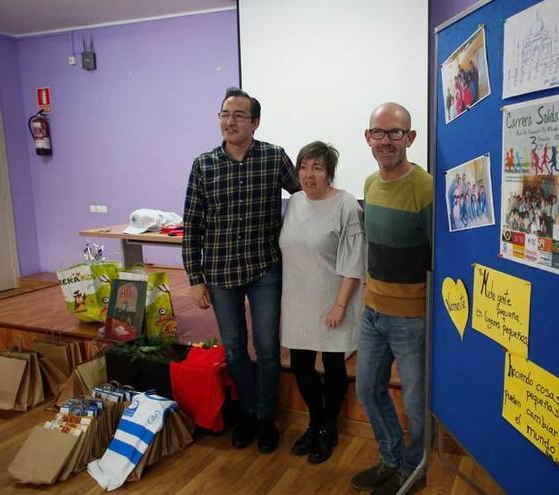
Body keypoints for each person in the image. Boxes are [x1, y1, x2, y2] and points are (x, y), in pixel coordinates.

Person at [182, 87, 300, 454]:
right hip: (219, 273)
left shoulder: (273, 157)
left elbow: (303, 197)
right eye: (224, 114)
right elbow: (193, 223)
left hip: (265, 267)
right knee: (234, 349)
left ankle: (266, 416)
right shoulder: (204, 164)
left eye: (238, 115)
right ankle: (248, 411)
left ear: (255, 122)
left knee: (267, 349)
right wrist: (194, 278)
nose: (229, 121)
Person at [350, 103, 432, 495]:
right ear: (368, 137)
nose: (386, 140)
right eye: (378, 132)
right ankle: (390, 460)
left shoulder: (425, 188)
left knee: (416, 408)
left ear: (410, 138)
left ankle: (414, 470)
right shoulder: (368, 184)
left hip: (412, 320)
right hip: (373, 312)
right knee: (367, 389)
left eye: (395, 133)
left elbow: (441, 258)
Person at [279, 141, 366, 465]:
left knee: (332, 365)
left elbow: (354, 262)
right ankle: (315, 421)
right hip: (298, 299)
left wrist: (340, 306)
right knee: (301, 365)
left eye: (317, 168)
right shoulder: (295, 202)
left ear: (329, 173)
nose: (308, 174)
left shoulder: (346, 206)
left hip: (333, 300)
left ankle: (329, 427)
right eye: (303, 167)